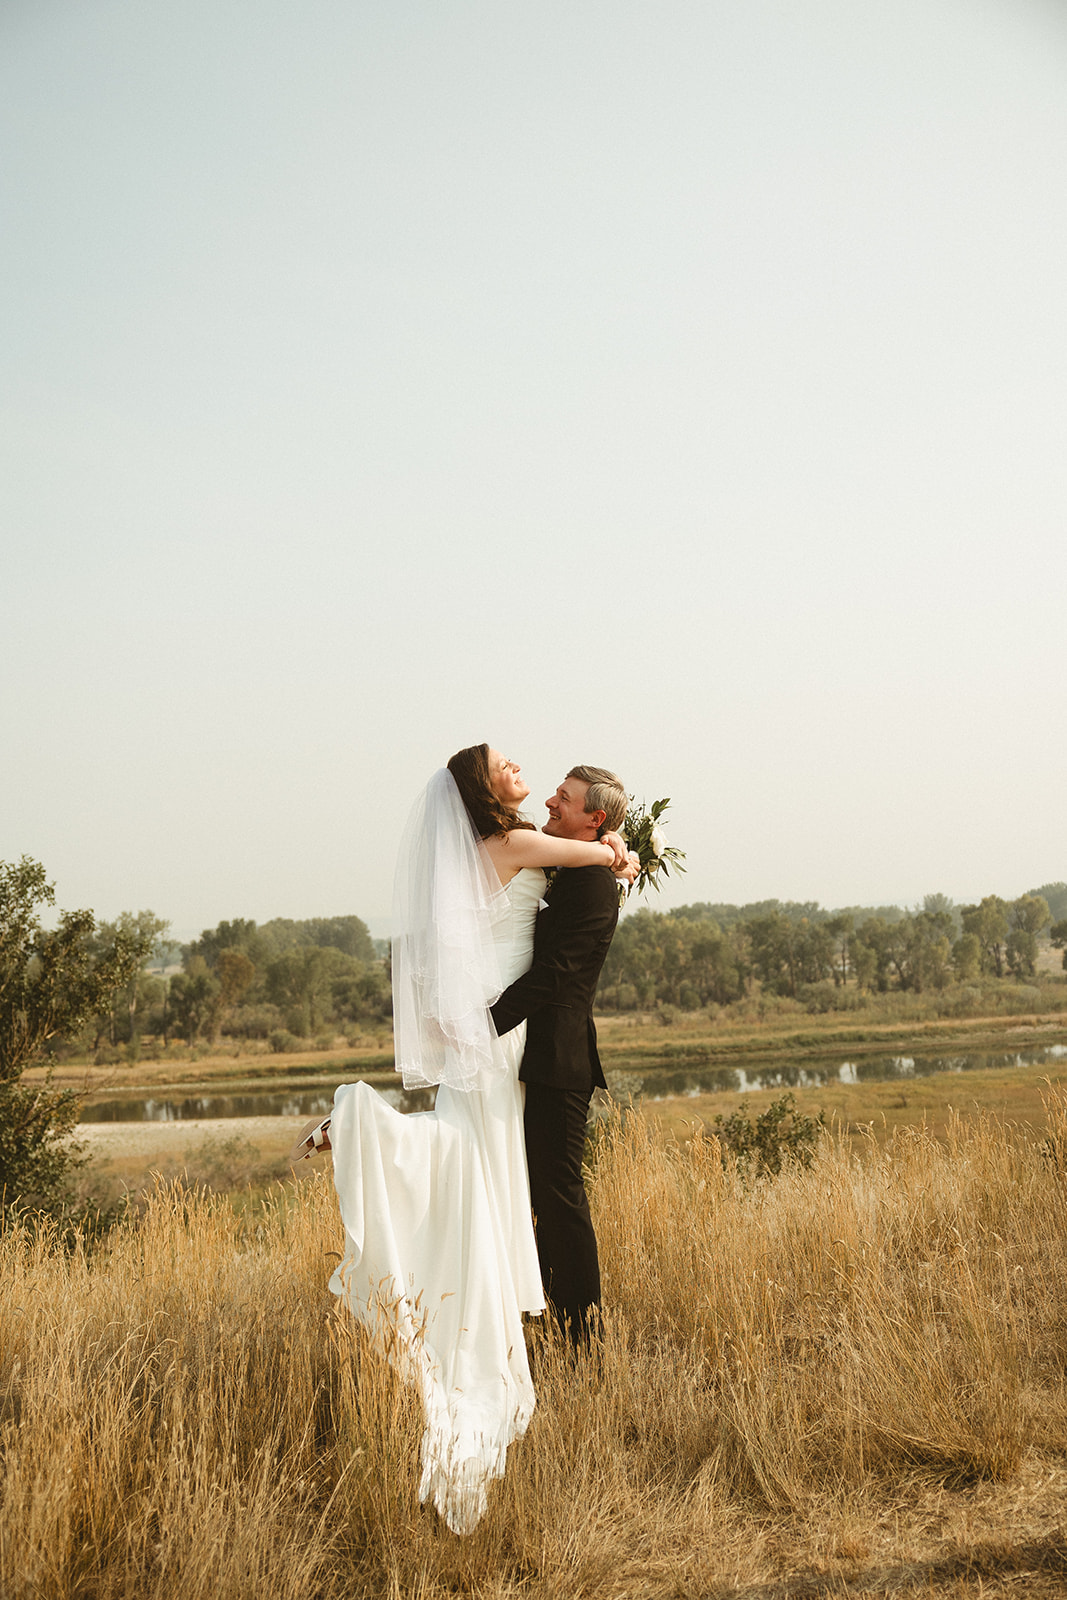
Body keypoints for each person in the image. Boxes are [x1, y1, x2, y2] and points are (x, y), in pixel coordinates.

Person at [289, 746, 632, 1534]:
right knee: (472, 1156)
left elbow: (587, 859)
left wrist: (614, 850)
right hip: (498, 1035)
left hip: (497, 1031)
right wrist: (619, 849)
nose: (535, 784)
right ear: (485, 790)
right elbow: (594, 851)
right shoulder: (512, 846)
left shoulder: (503, 847)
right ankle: (365, 1125)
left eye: (556, 791)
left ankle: (372, 1139)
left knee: (475, 1159)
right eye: (514, 769)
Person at [490, 765, 628, 1346]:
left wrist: (484, 1024)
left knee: (561, 1194)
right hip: (532, 1052)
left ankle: (584, 1337)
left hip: (558, 1057)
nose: (550, 800)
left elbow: (557, 972)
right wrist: (617, 847)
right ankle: (548, 1318)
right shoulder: (571, 865)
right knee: (538, 1192)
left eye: (564, 799)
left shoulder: (594, 884)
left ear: (593, 818)